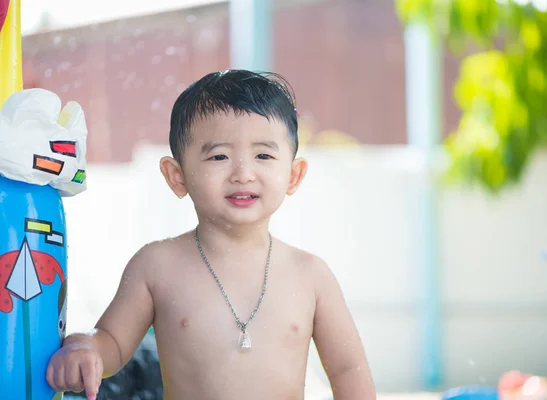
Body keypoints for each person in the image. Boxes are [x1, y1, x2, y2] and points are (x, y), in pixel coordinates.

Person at [46, 69, 376, 400]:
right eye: (219, 156)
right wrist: (85, 346)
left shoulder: (311, 276)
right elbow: (112, 343)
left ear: (293, 175)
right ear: (177, 177)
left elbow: (349, 369)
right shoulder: (157, 267)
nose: (243, 174)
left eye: (263, 155)